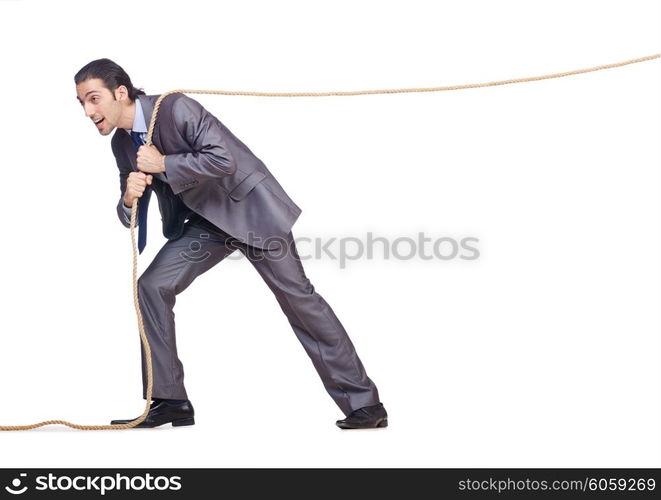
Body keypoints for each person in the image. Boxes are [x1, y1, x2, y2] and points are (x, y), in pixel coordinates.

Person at [73, 58, 387, 429]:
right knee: (152, 286)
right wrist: (128, 199)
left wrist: (165, 164)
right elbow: (131, 212)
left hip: (251, 211)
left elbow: (224, 160)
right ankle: (169, 399)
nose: (88, 111)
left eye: (94, 99)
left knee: (299, 300)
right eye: (81, 103)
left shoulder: (175, 107)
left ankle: (365, 405)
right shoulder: (122, 146)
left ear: (120, 93)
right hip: (207, 223)